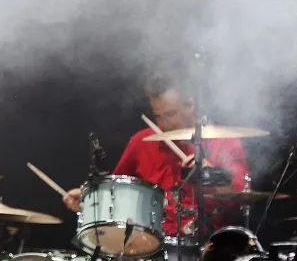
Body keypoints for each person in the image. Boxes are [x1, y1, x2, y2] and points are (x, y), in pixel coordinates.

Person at [62, 73, 250, 237]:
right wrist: (91, 198)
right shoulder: (142, 141)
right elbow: (117, 190)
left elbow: (242, 195)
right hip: (147, 240)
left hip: (206, 242)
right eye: (158, 116)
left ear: (190, 105)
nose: (164, 123)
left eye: (170, 114)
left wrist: (213, 176)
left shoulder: (224, 142)